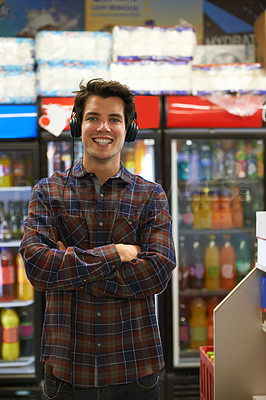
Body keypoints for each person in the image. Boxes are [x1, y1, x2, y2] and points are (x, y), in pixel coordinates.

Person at [19, 78, 176, 400]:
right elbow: (37, 267)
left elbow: (159, 271)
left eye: (114, 119)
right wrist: (118, 253)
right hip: (67, 370)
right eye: (93, 117)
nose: (102, 127)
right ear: (78, 125)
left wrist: (69, 267)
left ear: (129, 128)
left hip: (135, 368)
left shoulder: (151, 195)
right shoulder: (48, 191)